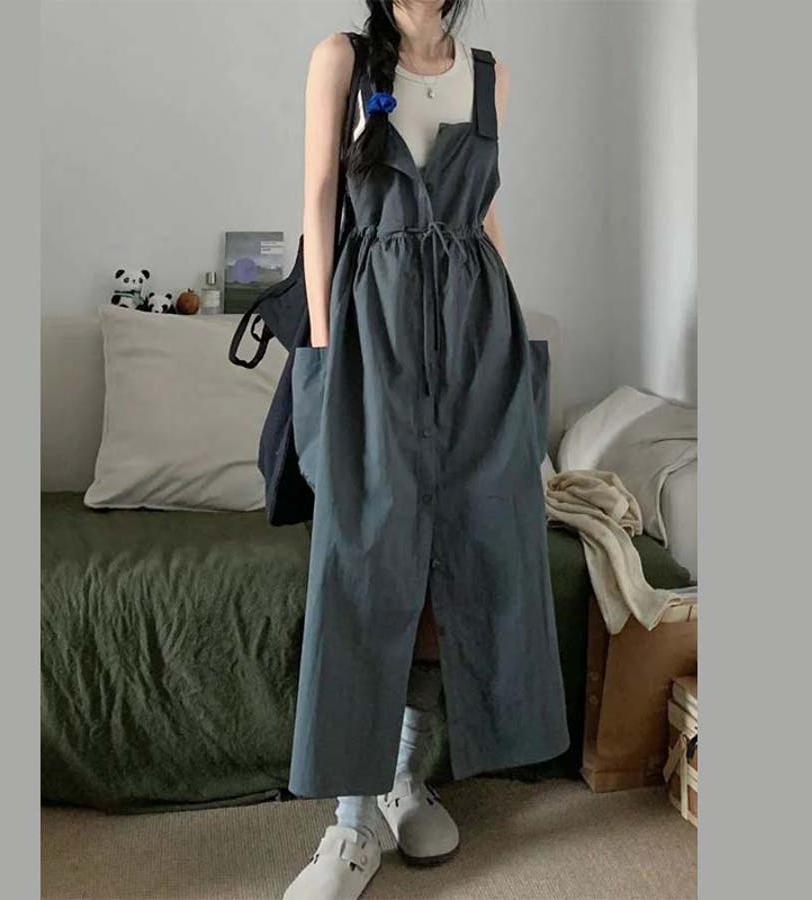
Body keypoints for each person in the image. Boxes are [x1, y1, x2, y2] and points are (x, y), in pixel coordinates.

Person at [284, 2, 569, 898]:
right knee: (365, 559)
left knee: (468, 553)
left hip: (478, 341)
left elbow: (483, 217)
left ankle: (406, 777)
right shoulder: (342, 58)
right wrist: (325, 356)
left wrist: (514, 356)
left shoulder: (491, 76)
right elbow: (318, 204)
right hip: (373, 338)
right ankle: (350, 820)